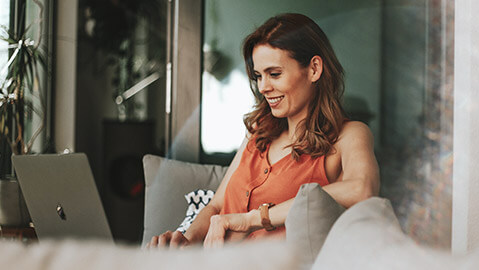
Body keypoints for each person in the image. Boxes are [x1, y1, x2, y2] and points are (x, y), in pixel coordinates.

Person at [147, 13, 380, 249]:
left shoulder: (349, 136)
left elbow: (362, 189)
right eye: (259, 76)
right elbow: (217, 206)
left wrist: (253, 220)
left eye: (275, 74)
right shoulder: (258, 132)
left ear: (314, 69)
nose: (263, 87)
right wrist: (185, 241)